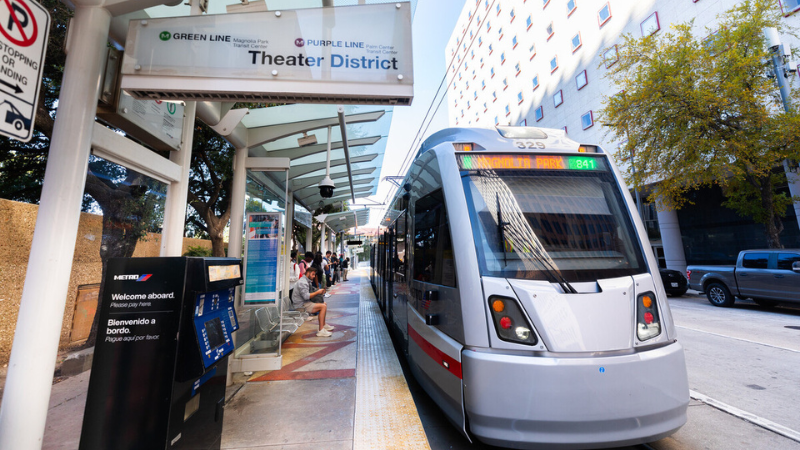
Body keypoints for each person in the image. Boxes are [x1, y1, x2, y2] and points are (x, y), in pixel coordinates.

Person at [291, 267, 334, 337]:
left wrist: (320, 291)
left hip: (305, 303)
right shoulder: (303, 282)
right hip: (301, 306)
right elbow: (306, 296)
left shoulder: (306, 281)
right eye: (313, 274)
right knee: (322, 307)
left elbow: (311, 290)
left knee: (324, 304)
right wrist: (317, 292)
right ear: (308, 273)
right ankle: (321, 330)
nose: (314, 277)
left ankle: (323, 325)